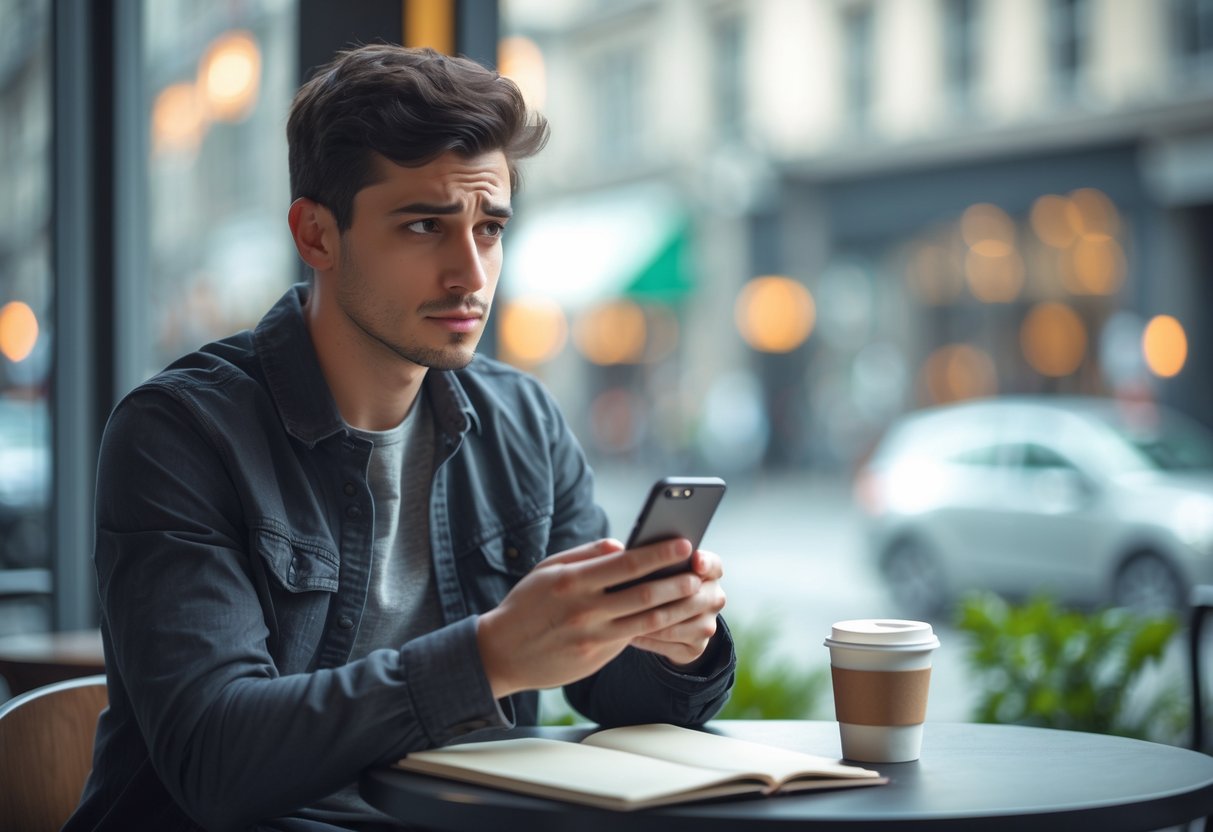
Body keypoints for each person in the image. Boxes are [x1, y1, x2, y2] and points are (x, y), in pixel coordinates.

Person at [65, 44, 735, 831]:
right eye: (424, 225)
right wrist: (489, 657)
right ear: (316, 235)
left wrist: (672, 642)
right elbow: (214, 756)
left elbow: (607, 694)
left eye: (489, 228)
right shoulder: (178, 433)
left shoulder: (521, 421)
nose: (471, 274)